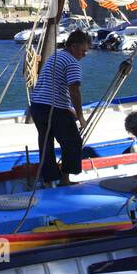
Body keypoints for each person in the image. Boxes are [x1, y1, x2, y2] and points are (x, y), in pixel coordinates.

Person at [29, 30, 91, 186]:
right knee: (73, 142)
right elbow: (74, 90)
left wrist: (66, 107)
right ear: (73, 46)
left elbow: (54, 85)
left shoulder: (55, 56)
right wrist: (80, 116)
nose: (85, 54)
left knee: (46, 144)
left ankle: (48, 180)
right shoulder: (72, 63)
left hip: (37, 106)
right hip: (53, 108)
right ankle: (65, 180)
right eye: (83, 50)